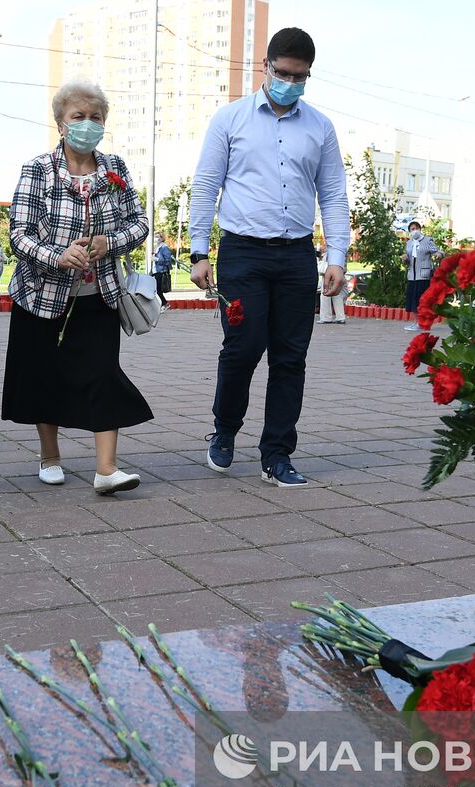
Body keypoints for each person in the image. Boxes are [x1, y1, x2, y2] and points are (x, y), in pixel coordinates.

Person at [189, 27, 350, 488]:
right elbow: (205, 186)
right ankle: (224, 430)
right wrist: (201, 251)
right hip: (242, 252)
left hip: (297, 255)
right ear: (265, 66)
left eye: (301, 77)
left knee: (290, 357)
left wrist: (335, 255)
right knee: (242, 349)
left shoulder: (319, 127)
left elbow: (334, 194)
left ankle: (277, 454)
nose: (290, 83)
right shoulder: (230, 119)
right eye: (283, 73)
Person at [3, 79, 152, 495]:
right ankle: (49, 456)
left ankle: (106, 469)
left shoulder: (115, 168)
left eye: (95, 117)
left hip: (98, 295)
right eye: (78, 117)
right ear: (61, 123)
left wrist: (111, 242)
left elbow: (139, 223)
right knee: (41, 375)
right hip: (41, 296)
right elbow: (19, 233)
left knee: (103, 373)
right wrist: (57, 255)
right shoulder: (38, 168)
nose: (87, 124)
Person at [402, 219, 441, 331]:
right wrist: (404, 259)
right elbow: (408, 262)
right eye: (412, 229)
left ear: (420, 229)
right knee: (412, 300)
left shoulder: (427, 241)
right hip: (412, 276)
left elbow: (438, 251)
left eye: (416, 228)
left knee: (421, 300)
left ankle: (423, 322)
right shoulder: (409, 243)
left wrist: (438, 254)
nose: (414, 231)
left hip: (423, 275)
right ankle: (416, 322)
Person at [316, 247, 347, 324]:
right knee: (337, 295)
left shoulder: (329, 252)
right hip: (339, 274)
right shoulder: (341, 251)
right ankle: (340, 317)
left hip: (328, 275)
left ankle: (326, 317)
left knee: (325, 296)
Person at [153, 231, 174, 309]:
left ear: (162, 238)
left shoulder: (164, 248)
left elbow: (168, 260)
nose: (156, 239)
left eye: (158, 237)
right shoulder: (156, 247)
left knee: (158, 289)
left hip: (161, 271)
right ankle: (161, 304)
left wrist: (157, 259)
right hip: (155, 271)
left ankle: (164, 304)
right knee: (155, 289)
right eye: (155, 237)